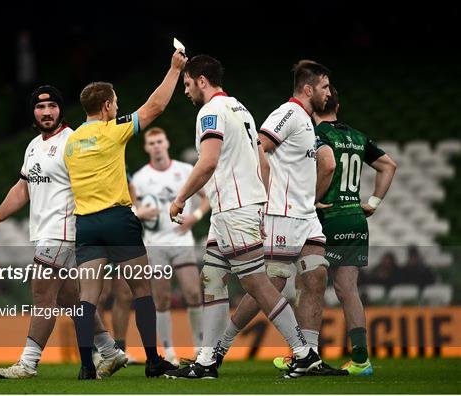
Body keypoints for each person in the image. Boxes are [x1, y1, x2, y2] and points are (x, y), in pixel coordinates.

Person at [165, 54, 320, 380]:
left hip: (235, 209)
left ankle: (303, 352)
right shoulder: (240, 108)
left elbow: (208, 162)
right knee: (212, 280)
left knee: (256, 283)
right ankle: (207, 360)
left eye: (187, 83)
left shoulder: (210, 112)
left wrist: (180, 199)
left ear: (201, 80)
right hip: (234, 209)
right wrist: (260, 201)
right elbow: (261, 162)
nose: (186, 90)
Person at [0, 85, 126, 380]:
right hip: (47, 231)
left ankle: (28, 363)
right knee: (70, 300)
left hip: (64, 230)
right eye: (40, 107)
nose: (46, 112)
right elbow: (23, 188)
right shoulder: (33, 146)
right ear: (33, 112)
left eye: (52, 107)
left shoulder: (74, 141)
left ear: (61, 109)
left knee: (42, 295)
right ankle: (110, 352)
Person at [64, 49, 188, 379]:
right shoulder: (112, 130)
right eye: (115, 102)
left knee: (88, 298)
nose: (117, 107)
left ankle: (86, 367)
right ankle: (152, 360)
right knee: (142, 290)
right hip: (118, 219)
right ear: (106, 106)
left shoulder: (72, 142)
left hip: (86, 224)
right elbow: (156, 107)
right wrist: (175, 70)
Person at [216, 60, 342, 375]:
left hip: (306, 214)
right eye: (325, 87)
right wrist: (265, 190)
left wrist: (311, 199)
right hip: (281, 214)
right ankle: (221, 347)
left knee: (316, 276)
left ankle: (308, 357)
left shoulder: (307, 120)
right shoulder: (286, 113)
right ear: (309, 88)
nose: (329, 93)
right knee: (269, 284)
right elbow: (260, 145)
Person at [310, 85, 396, 375]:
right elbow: (389, 166)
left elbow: (327, 167)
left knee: (306, 284)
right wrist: (372, 202)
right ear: (338, 105)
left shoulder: (317, 135)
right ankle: (361, 360)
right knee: (347, 288)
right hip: (355, 218)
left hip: (327, 217)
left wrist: (312, 200)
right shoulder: (358, 137)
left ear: (313, 106)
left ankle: (305, 354)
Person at [131, 127, 208, 364]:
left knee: (194, 293)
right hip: (155, 246)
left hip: (181, 241)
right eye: (151, 143)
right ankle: (169, 352)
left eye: (159, 141)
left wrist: (194, 217)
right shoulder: (140, 177)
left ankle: (198, 349)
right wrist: (139, 212)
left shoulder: (185, 171)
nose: (156, 146)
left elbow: (207, 199)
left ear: (167, 143)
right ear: (146, 148)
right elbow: (130, 208)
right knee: (161, 300)